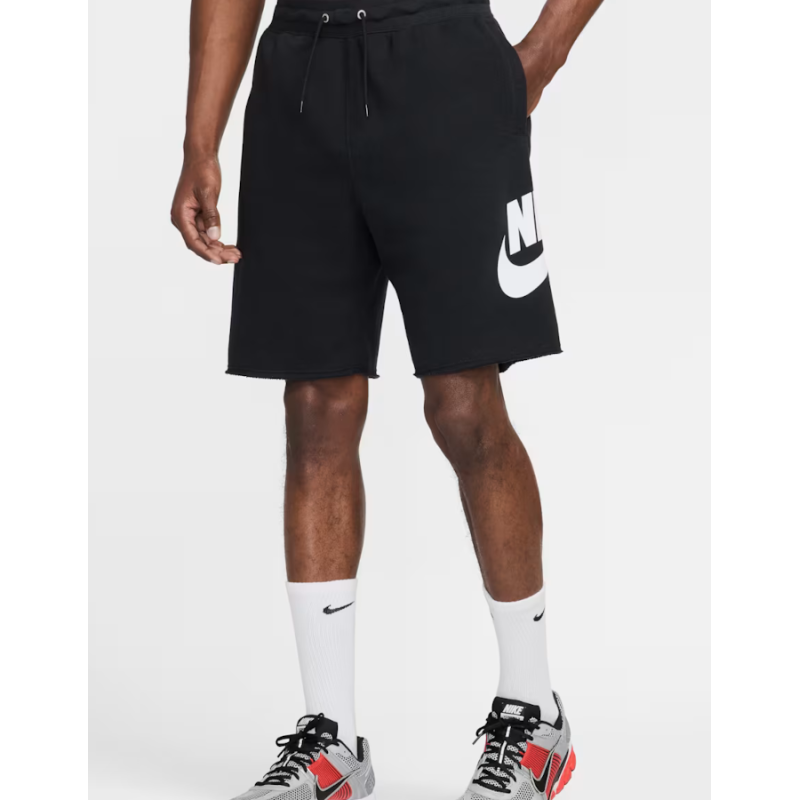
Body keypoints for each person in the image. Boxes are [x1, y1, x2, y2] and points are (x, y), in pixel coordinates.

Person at [171, 0, 603, 797]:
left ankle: (534, 713)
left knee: (463, 402)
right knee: (316, 406)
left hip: (445, 68)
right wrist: (202, 140)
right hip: (301, 79)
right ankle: (331, 738)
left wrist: (543, 54)